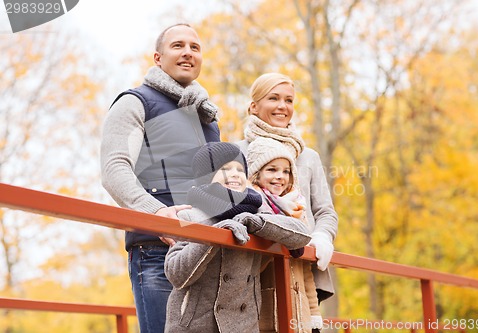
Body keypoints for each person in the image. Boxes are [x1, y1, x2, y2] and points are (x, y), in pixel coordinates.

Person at [100, 23, 220, 333]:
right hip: (157, 250)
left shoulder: (209, 119)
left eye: (195, 47)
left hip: (206, 250)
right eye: (178, 45)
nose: (188, 52)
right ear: (157, 57)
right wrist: (156, 213)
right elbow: (114, 169)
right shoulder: (134, 102)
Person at [164, 142, 312, 333]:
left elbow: (301, 235)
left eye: (240, 169)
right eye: (225, 168)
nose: (234, 174)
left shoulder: (257, 212)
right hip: (195, 325)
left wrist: (254, 222)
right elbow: (176, 274)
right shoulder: (189, 216)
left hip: (244, 325)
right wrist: (216, 234)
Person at [235, 73, 339, 303]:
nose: (282, 106)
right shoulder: (236, 152)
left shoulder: (308, 157)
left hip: (302, 270)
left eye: (289, 100)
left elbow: (325, 212)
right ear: (254, 106)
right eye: (273, 98)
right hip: (253, 268)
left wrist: (321, 237)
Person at [247, 137, 323, 333]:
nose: (280, 176)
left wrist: (314, 314)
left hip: (300, 311)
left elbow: (305, 270)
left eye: (286, 171)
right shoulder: (254, 210)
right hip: (268, 310)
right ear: (256, 174)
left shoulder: (297, 212)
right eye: (272, 170)